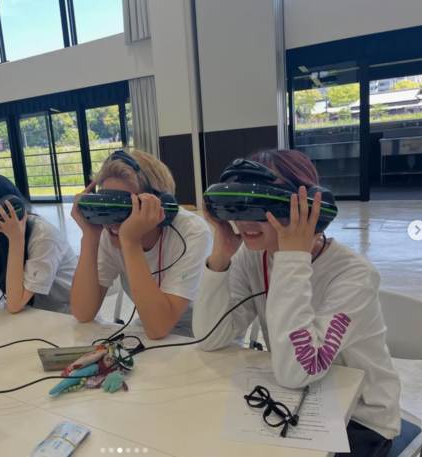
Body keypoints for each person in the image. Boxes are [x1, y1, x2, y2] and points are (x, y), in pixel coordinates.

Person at [193, 149, 401, 457]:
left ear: (310, 209)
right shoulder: (253, 258)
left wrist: (292, 259)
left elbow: (298, 370)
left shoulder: (354, 275)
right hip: (294, 395)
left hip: (362, 417)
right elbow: (210, 338)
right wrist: (221, 255)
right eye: (238, 206)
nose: (245, 221)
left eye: (264, 207)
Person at [71, 149, 212, 339]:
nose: (113, 222)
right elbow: (83, 313)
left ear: (161, 206)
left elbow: (158, 328)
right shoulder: (109, 231)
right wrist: (90, 235)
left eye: (126, 208)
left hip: (205, 333)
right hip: (150, 324)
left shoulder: (192, 232)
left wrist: (131, 242)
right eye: (107, 207)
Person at [0, 173, 77, 314]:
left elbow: (15, 304)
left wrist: (16, 239)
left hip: (66, 316)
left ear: (8, 211)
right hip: (33, 316)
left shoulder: (44, 236)